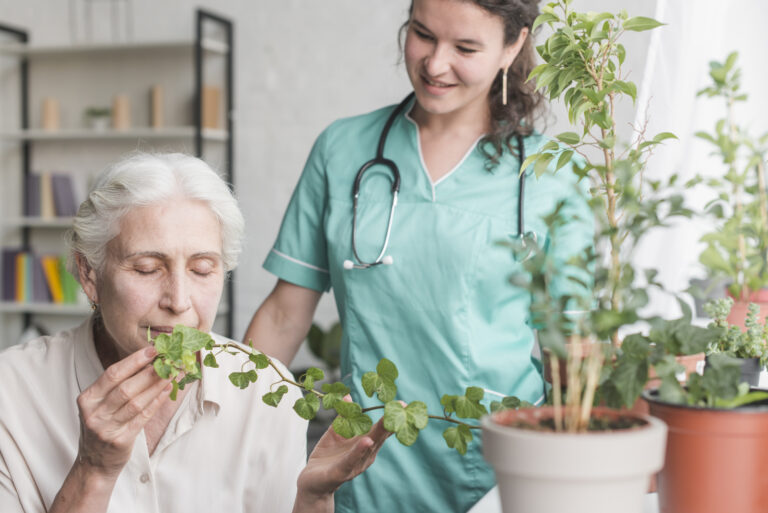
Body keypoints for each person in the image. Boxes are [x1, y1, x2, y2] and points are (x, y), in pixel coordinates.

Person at [245, 0, 593, 511]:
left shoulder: (550, 175)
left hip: (499, 468)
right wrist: (224, 422)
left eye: (465, 47)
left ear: (513, 44)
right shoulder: (342, 149)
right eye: (423, 34)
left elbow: (573, 350)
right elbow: (283, 313)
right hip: (365, 463)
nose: (434, 64)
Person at [0, 153, 390, 513]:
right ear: (89, 275)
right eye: (148, 268)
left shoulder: (268, 393)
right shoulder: (11, 392)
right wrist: (94, 470)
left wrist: (313, 499)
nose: (180, 301)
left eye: (203, 269)